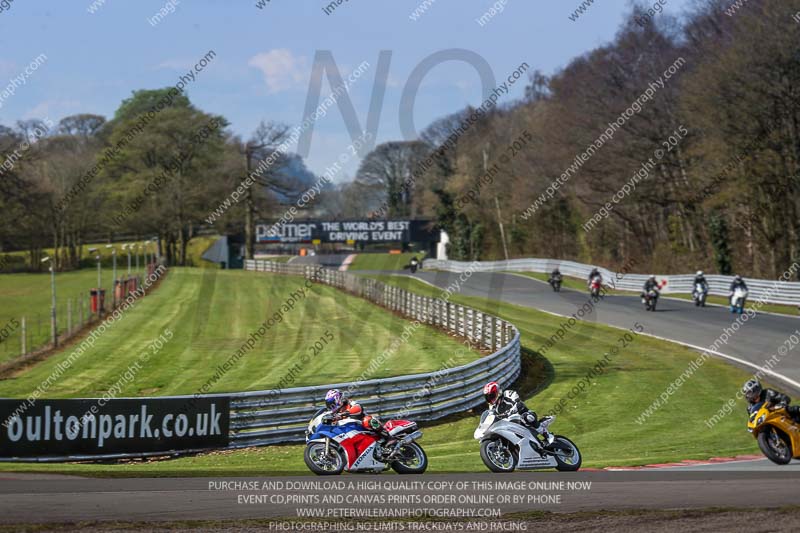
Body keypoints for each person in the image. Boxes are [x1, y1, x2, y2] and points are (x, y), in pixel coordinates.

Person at [483, 381, 554, 446]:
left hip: (522, 416)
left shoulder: (508, 394)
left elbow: (519, 404)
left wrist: (509, 412)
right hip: (509, 424)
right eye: (488, 397)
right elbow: (491, 417)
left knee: (528, 417)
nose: (490, 399)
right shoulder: (492, 407)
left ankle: (547, 435)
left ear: (498, 392)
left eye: (491, 396)